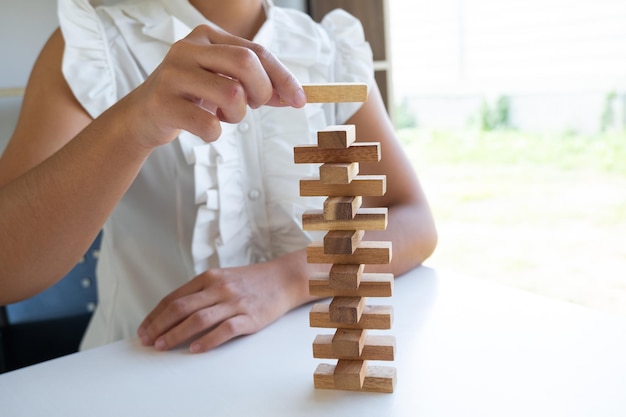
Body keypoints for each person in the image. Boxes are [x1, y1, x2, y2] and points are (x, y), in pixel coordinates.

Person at [0, 0, 437, 354]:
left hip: (301, 371)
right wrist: (131, 125)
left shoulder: (330, 47)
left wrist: (287, 279)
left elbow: (413, 220)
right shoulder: (91, 44)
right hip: (140, 377)